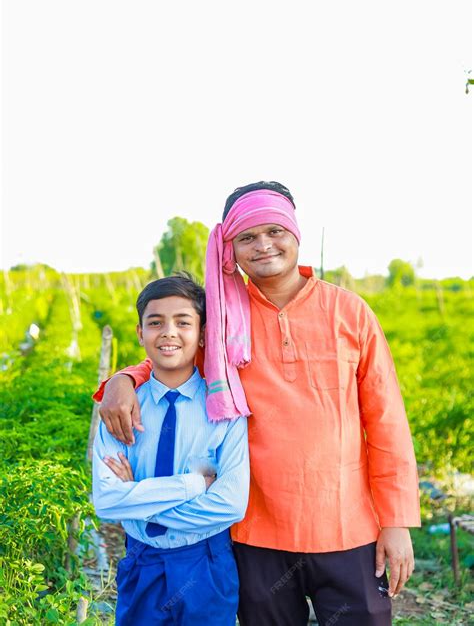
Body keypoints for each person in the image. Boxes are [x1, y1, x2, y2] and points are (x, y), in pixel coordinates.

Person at [94, 182, 420, 626]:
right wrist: (124, 378)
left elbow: (386, 420)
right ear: (230, 247)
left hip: (348, 528)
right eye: (247, 237)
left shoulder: (349, 312)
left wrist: (396, 520)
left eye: (274, 231)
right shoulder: (225, 316)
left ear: (295, 233)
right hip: (257, 531)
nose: (263, 245)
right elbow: (175, 353)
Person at [92, 274, 249, 626]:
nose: (168, 333)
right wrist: (192, 487)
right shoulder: (120, 410)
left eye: (183, 322)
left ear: (203, 332)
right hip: (142, 560)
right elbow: (106, 501)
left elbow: (230, 503)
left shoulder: (225, 409)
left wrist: (137, 499)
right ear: (139, 332)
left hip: (206, 562)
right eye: (155, 322)